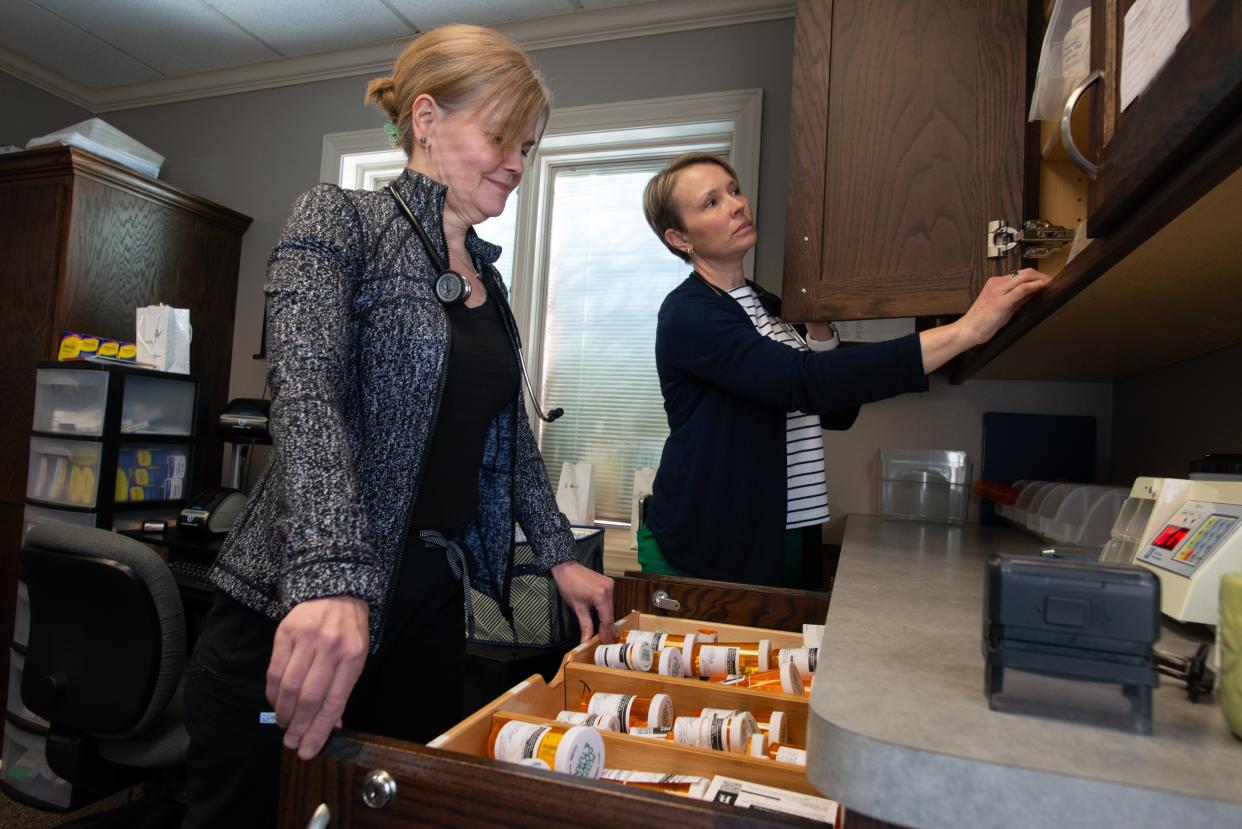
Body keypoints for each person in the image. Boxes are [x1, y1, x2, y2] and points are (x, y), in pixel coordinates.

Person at [182, 24, 615, 827]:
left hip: (424, 609)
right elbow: (304, 395)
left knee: (392, 813)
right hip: (298, 605)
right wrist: (333, 573)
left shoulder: (489, 283)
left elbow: (508, 441)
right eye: (500, 137)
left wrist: (558, 553)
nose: (519, 164)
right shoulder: (341, 220)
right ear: (425, 118)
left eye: (527, 146)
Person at [638, 152, 1051, 588]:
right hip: (706, 546)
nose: (737, 204)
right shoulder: (689, 313)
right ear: (680, 238)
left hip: (786, 530)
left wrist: (818, 327)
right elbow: (805, 383)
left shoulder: (766, 306)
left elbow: (837, 410)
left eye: (734, 190)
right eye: (711, 202)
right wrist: (965, 332)